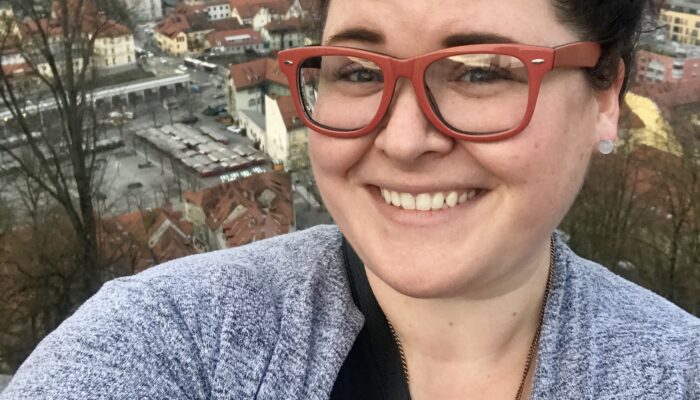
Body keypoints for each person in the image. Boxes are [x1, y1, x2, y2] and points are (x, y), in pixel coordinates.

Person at [2, 0, 698, 399]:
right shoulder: (172, 338)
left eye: (481, 71)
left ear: (606, 97)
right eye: (359, 71)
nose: (403, 139)